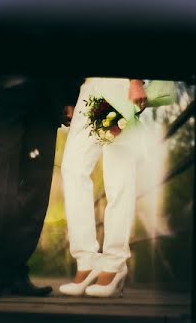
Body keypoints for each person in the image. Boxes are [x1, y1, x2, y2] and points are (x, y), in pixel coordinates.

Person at [0, 72, 81, 297]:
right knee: (4, 174)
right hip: (2, 81)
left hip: (47, 90)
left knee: (38, 181)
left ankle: (16, 270)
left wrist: (69, 95)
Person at [58, 78, 147, 298]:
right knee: (73, 170)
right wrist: (70, 98)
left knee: (118, 178)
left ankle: (114, 261)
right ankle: (87, 259)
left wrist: (135, 80)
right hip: (89, 89)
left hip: (116, 86)